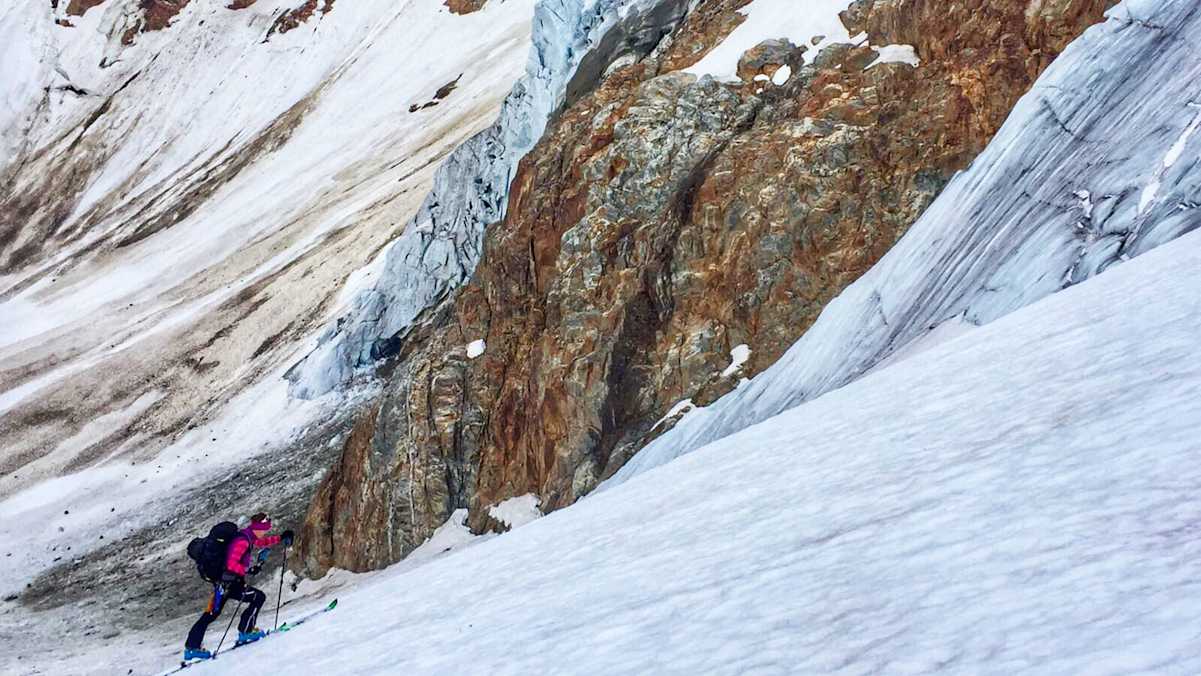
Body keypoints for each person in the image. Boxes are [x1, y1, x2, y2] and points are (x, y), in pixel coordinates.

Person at [183, 513, 294, 661]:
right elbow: (231, 564)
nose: (265, 532)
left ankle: (192, 647)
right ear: (258, 528)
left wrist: (280, 538)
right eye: (265, 529)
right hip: (231, 584)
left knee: (211, 614)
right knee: (258, 597)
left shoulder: (247, 536)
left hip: (223, 585)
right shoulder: (242, 541)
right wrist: (248, 570)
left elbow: (261, 543)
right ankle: (246, 632)